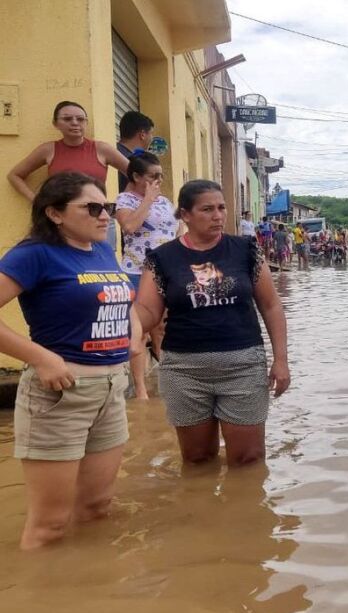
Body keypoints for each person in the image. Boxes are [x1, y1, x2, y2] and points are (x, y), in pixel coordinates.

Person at [0, 172, 142, 549]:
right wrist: (40, 358)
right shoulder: (33, 254)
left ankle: (89, 592)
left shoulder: (101, 249)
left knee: (97, 508)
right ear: (55, 213)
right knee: (50, 526)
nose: (105, 216)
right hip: (60, 395)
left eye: (108, 207)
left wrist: (133, 330)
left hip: (111, 390)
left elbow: (120, 295)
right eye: (93, 208)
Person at [134, 179, 290, 466]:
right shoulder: (162, 258)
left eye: (221, 208)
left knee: (249, 459)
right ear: (185, 215)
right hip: (184, 370)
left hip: (243, 366)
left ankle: (245, 510)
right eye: (207, 209)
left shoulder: (246, 250)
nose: (218, 216)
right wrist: (127, 325)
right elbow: (147, 310)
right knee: (197, 459)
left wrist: (281, 360)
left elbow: (271, 305)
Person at [7, 101, 129, 249]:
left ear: (86, 122)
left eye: (80, 119)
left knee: (102, 266)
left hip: (98, 217)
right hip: (62, 221)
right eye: (67, 119)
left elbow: (136, 175)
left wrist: (125, 204)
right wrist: (37, 200)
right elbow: (15, 175)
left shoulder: (102, 149)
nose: (75, 123)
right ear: (55, 123)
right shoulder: (48, 150)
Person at [114, 151, 177, 399]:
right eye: (153, 176)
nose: (158, 181)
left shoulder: (164, 201)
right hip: (136, 272)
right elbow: (129, 226)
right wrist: (148, 200)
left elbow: (175, 230)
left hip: (165, 273)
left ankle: (168, 379)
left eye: (161, 176)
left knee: (162, 328)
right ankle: (140, 390)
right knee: (137, 331)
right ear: (136, 176)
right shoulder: (125, 200)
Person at [116, 111, 155, 192]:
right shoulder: (135, 162)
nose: (152, 138)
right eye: (151, 133)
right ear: (143, 134)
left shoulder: (112, 152)